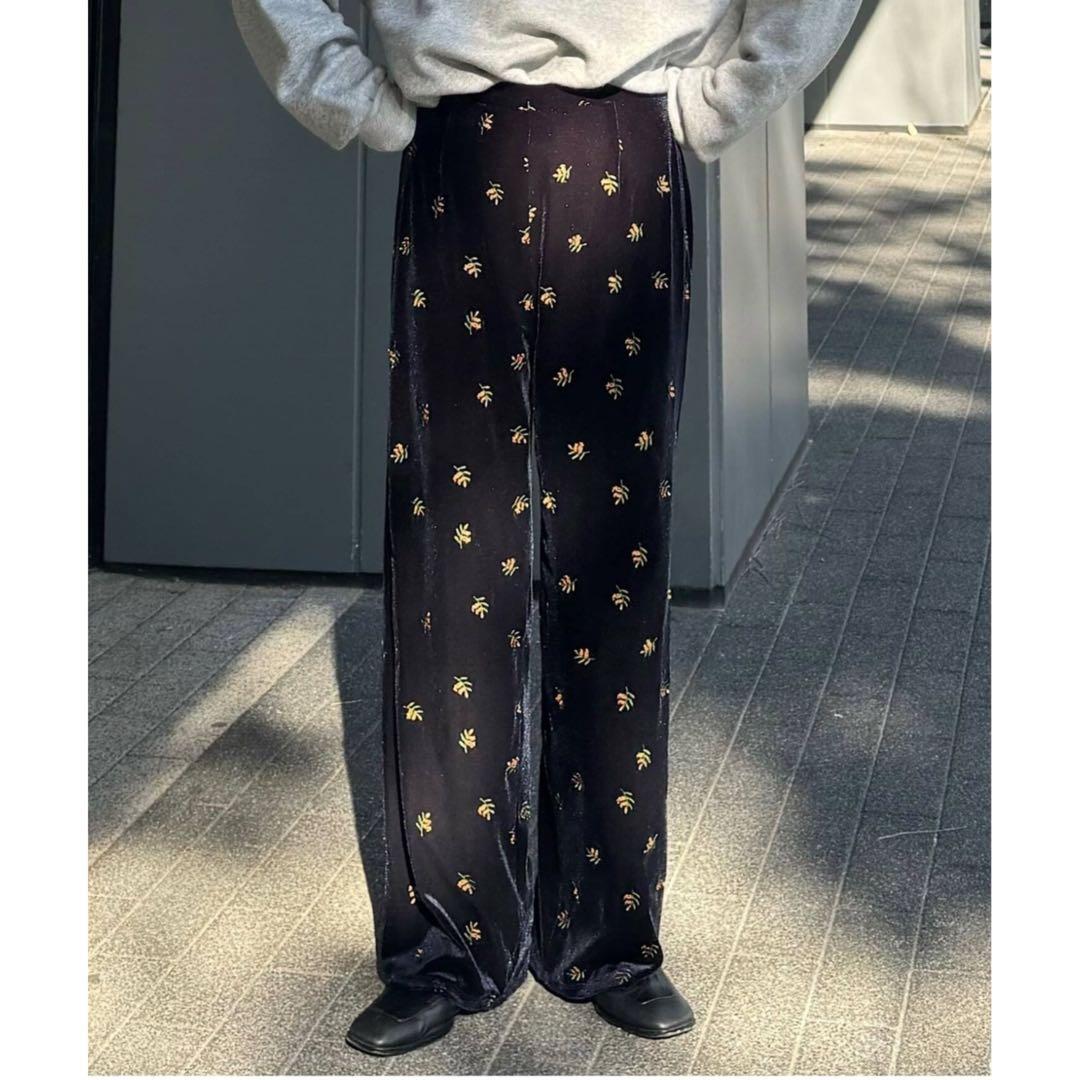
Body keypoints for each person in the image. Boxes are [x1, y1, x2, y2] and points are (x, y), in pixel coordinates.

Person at [230, 0, 862, 1058]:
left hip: (629, 142)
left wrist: (720, 100)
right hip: (459, 145)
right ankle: (446, 944)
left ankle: (611, 936)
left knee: (615, 567)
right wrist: (345, 91)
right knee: (449, 564)